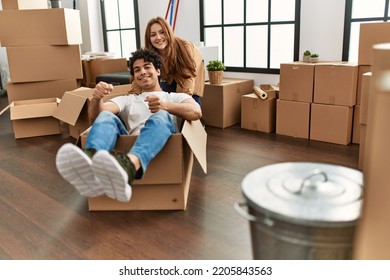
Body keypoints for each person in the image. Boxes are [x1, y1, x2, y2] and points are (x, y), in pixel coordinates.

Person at [55, 48, 202, 203]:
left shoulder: (175, 97)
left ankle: (129, 166)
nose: (142, 72)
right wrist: (97, 98)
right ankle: (91, 164)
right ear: (134, 77)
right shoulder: (128, 99)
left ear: (158, 71)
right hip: (132, 138)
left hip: (161, 139)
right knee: (106, 116)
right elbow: (98, 114)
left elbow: (196, 112)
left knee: (161, 116)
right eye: (137, 70)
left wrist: (165, 106)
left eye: (147, 67)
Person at [129, 17, 205, 104]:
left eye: (162, 32)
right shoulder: (149, 52)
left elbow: (188, 79)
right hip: (168, 73)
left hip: (189, 70)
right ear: (148, 38)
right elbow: (138, 76)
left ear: (168, 32)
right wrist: (133, 97)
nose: (158, 37)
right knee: (163, 93)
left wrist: (184, 106)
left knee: (191, 100)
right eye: (153, 35)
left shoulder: (185, 48)